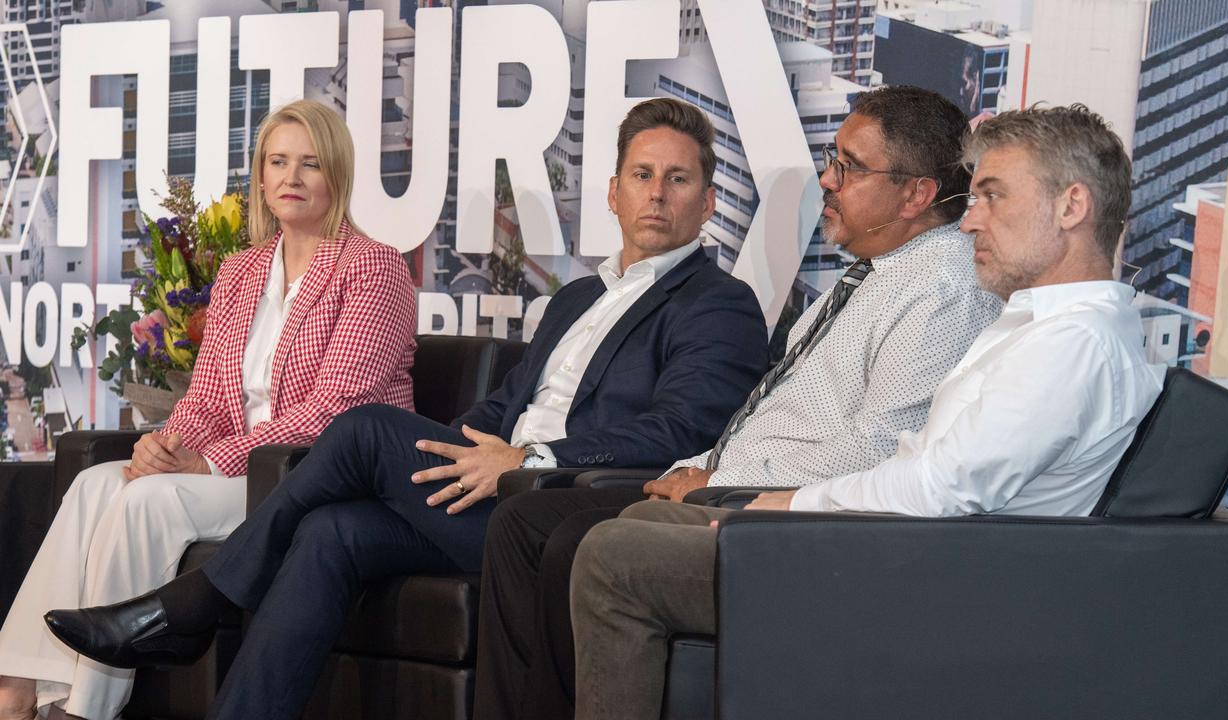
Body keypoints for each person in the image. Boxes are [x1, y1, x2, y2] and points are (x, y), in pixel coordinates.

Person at [46, 98, 769, 720]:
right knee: (331, 530)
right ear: (613, 193)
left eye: (678, 180)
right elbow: (506, 404)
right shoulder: (578, 298)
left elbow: (682, 430)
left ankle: (195, 604)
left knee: (360, 426)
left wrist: (528, 459)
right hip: (481, 487)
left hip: (558, 506)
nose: (657, 195)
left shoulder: (720, 306)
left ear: (707, 202)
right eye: (643, 176)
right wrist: (449, 451)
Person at [568, 103, 1167, 720]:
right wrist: (770, 507)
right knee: (640, 522)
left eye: (991, 197)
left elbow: (939, 488)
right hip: (908, 551)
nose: (968, 223)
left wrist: (783, 507)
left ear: (1072, 207)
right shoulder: (1039, 327)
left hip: (923, 581)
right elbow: (929, 471)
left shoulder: (1073, 343)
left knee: (615, 560)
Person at [472, 86, 1005, 720]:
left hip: (804, 525)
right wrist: (695, 472)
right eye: (833, 160)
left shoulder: (941, 286)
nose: (828, 181)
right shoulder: (876, 275)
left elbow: (878, 448)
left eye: (850, 167)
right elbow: (763, 421)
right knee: (542, 527)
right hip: (738, 489)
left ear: (916, 194)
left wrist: (720, 482)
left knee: (570, 539)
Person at [0, 99, 417, 720]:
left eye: (309, 164)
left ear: (338, 174)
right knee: (95, 483)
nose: (291, 178)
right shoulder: (242, 271)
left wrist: (207, 461)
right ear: (261, 174)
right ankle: (19, 686)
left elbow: (336, 413)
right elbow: (209, 397)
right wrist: (164, 445)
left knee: (149, 500)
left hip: (306, 479)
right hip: (231, 469)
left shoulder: (372, 268)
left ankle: (83, 710)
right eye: (277, 162)